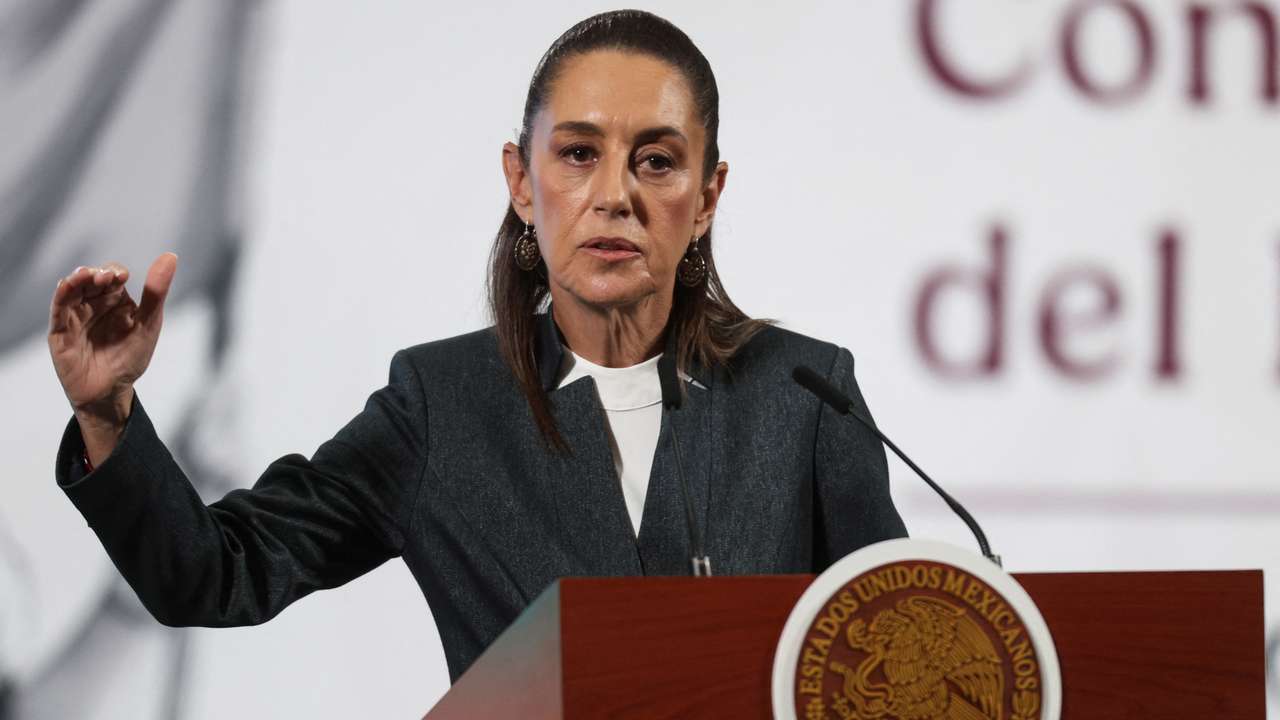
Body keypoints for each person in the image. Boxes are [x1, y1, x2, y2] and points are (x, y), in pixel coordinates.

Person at [45, 10, 906, 683]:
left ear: (708, 195)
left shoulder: (805, 395)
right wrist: (107, 413)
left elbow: (902, 653)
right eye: (577, 154)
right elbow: (215, 575)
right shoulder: (442, 404)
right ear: (521, 182)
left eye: (656, 162)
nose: (614, 196)